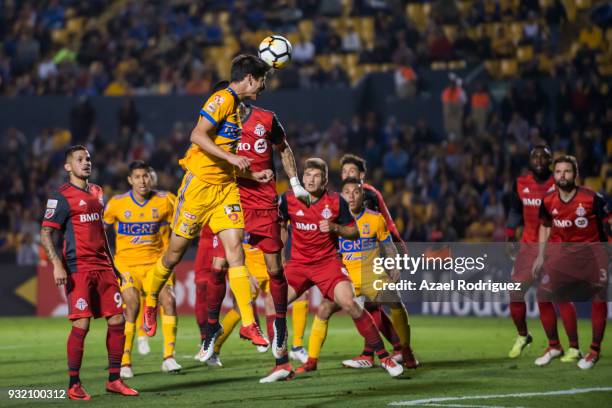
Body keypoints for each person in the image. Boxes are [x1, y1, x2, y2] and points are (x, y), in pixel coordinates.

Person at [141, 56, 273, 358]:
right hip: (198, 188)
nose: (264, 86)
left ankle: (249, 323)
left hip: (226, 190)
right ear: (250, 79)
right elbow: (197, 135)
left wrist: (251, 174)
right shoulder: (222, 98)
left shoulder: (237, 115)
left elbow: (227, 159)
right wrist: (232, 160)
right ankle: (151, 300)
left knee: (235, 251)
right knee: (174, 253)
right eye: (263, 79)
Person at [259, 158, 404, 383]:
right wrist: (280, 255)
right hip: (299, 265)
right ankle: (282, 364)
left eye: (316, 176)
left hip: (328, 264)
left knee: (349, 303)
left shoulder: (336, 201)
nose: (311, 180)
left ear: (325, 180)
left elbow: (354, 232)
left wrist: (335, 228)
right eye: (307, 175)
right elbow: (281, 226)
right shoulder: (288, 199)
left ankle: (385, 358)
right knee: (271, 302)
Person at [40, 145, 138, 400]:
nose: (86, 163)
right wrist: (56, 264)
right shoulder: (61, 196)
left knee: (118, 320)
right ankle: (74, 384)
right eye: (80, 159)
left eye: (88, 159)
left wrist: (114, 265)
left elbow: (101, 232)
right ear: (67, 166)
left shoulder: (97, 192)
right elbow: (46, 231)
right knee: (81, 324)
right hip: (78, 267)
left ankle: (114, 380)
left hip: (103, 266)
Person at [297, 177, 418, 373]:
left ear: (363, 195)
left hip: (372, 276)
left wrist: (394, 262)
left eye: (356, 192)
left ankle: (405, 350)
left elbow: (388, 245)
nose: (351, 196)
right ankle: (311, 361)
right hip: (345, 278)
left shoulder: (375, 218)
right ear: (341, 196)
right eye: (347, 192)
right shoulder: (332, 220)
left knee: (395, 301)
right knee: (324, 309)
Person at [103, 161, 180, 378]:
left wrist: (172, 256)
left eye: (145, 176)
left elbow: (179, 230)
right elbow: (100, 230)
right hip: (126, 265)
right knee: (132, 305)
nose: (142, 181)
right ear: (130, 180)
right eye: (137, 177)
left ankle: (169, 357)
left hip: (156, 264)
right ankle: (125, 362)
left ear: (150, 177)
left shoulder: (166, 200)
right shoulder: (117, 203)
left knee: (169, 301)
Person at [532, 155, 610, 369]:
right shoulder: (548, 201)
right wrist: (540, 255)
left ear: (575, 174)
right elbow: (545, 226)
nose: (562, 175)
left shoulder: (592, 199)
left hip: (593, 256)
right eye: (558, 172)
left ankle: (594, 351)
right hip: (563, 257)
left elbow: (608, 226)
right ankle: (556, 346)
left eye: (567, 171)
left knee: (599, 297)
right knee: (544, 296)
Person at [505, 144, 572, 361]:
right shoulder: (521, 183)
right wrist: (509, 234)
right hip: (527, 248)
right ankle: (523, 335)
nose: (540, 161)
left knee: (549, 297)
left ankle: (558, 345)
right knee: (515, 293)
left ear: (551, 161)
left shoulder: (559, 183)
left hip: (553, 249)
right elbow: (515, 210)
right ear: (530, 161)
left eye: (544, 158)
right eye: (536, 158)